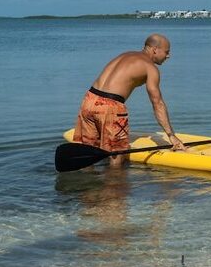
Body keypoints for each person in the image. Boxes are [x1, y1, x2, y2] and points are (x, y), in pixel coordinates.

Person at [73, 33, 185, 167]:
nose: (168, 56)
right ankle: (115, 185)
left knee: (88, 151)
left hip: (89, 99)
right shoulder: (150, 68)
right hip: (111, 106)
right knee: (117, 155)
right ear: (155, 49)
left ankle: (86, 185)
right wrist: (171, 135)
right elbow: (157, 103)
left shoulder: (125, 55)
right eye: (166, 52)